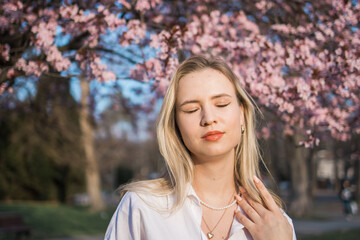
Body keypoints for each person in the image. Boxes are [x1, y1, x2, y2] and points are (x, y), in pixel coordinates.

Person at [104, 55, 296, 240]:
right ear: (176, 126)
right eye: (191, 109)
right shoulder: (142, 208)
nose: (208, 118)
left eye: (221, 104)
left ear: (242, 115)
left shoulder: (276, 223)